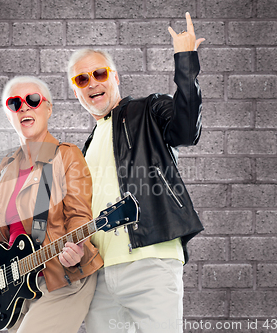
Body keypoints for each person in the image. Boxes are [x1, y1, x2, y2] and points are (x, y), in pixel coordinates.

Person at [67, 12, 205, 333]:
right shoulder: (84, 149)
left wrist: (185, 61)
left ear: (115, 77)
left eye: (99, 73)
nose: (92, 82)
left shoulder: (147, 109)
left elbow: (186, 131)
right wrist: (75, 251)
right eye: (81, 79)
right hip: (100, 275)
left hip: (151, 260)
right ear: (76, 91)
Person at [0, 76, 103, 333]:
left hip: (63, 277)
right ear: (9, 115)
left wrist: (77, 247)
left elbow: (79, 214)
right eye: (15, 103)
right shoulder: (7, 167)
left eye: (33, 100)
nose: (24, 107)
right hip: (19, 284)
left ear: (49, 108)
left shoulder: (65, 155)